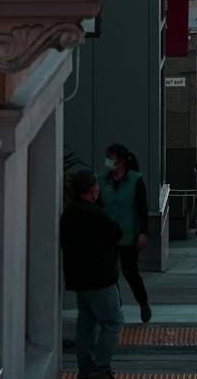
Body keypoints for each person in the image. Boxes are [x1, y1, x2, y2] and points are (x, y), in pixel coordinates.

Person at [61, 169, 122, 379]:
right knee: (112, 322)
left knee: (86, 324)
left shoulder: (68, 214)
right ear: (93, 190)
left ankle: (85, 369)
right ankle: (101, 368)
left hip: (79, 277)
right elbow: (116, 233)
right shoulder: (95, 214)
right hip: (100, 277)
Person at [99, 143, 152, 323]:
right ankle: (116, 307)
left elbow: (142, 209)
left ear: (121, 161)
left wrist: (143, 233)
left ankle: (143, 303)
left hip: (128, 234)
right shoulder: (101, 180)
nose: (108, 161)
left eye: (111, 157)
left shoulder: (135, 180)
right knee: (109, 273)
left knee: (130, 272)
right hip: (107, 235)